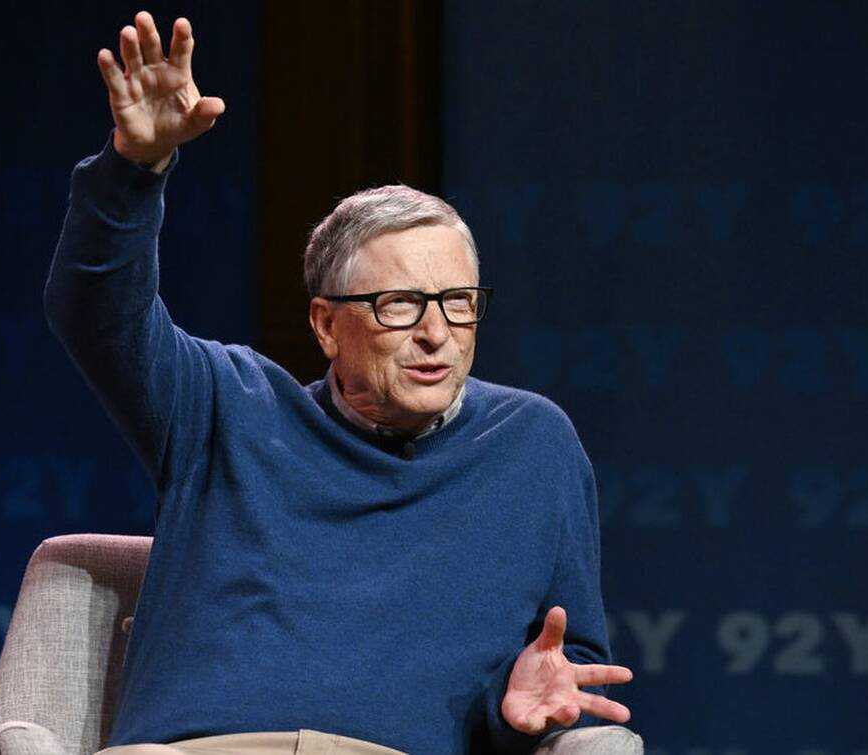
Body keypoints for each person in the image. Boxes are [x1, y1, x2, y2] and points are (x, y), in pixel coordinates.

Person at [44, 10, 635, 754]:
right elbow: (94, 312)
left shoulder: (531, 444)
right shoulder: (225, 408)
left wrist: (515, 708)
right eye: (400, 305)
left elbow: (570, 664)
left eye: (458, 302)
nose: (437, 333)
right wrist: (134, 170)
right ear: (326, 325)